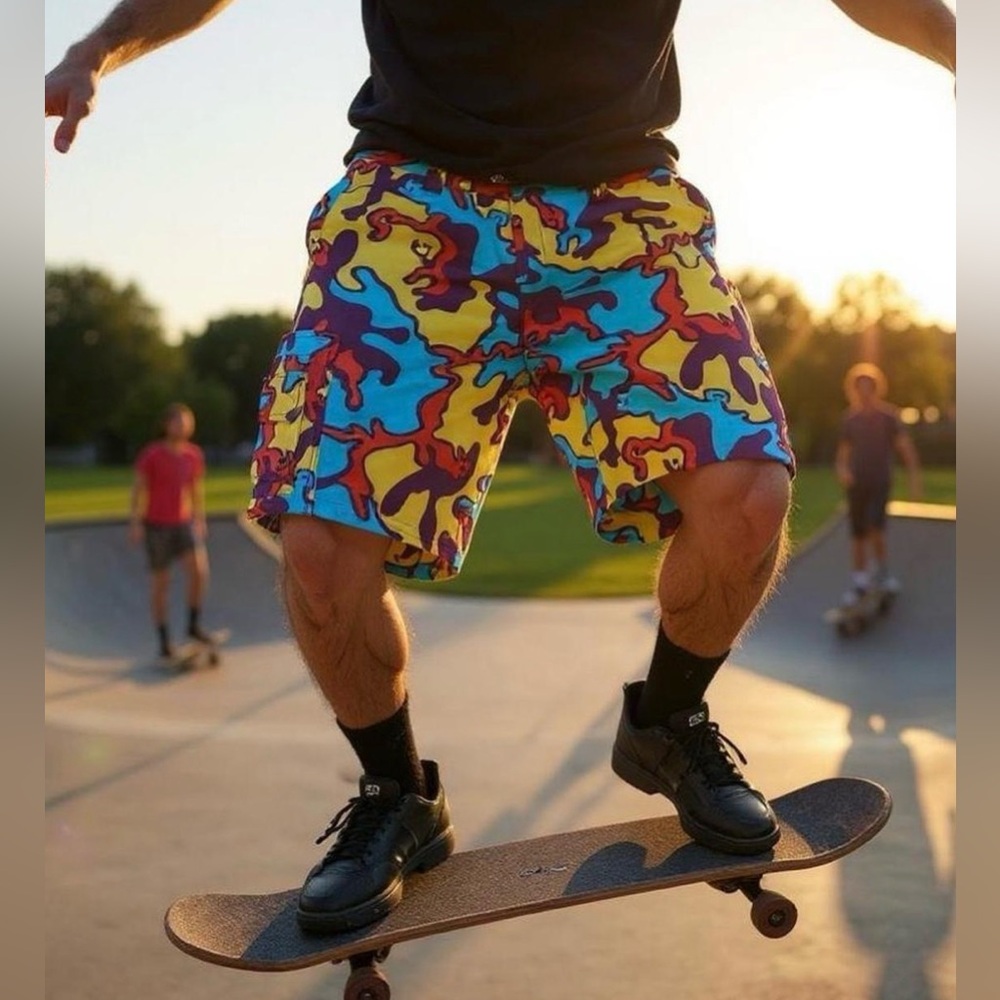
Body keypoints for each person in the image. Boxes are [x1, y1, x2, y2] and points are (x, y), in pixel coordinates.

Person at [46, 0, 956, 935]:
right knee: (320, 548)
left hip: (620, 201)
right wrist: (95, 49)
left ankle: (667, 724)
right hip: (411, 200)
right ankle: (395, 796)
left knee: (748, 493)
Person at [129, 401, 213, 660]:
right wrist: (135, 522)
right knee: (161, 584)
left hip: (183, 523)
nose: (184, 426)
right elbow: (139, 488)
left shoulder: (193, 455)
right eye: (179, 421)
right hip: (156, 526)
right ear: (167, 425)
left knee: (199, 571)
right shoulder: (152, 454)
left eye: (188, 422)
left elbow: (195, 489)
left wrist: (199, 518)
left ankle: (192, 624)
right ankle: (164, 640)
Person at [834, 362, 923, 605]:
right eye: (859, 388)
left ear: (875, 389)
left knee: (876, 527)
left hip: (880, 481)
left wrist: (914, 477)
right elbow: (843, 454)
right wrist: (842, 470)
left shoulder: (888, 417)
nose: (864, 393)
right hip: (857, 483)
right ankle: (860, 581)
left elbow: (905, 448)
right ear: (854, 390)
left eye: (868, 388)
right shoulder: (850, 420)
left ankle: (882, 574)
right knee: (858, 534)